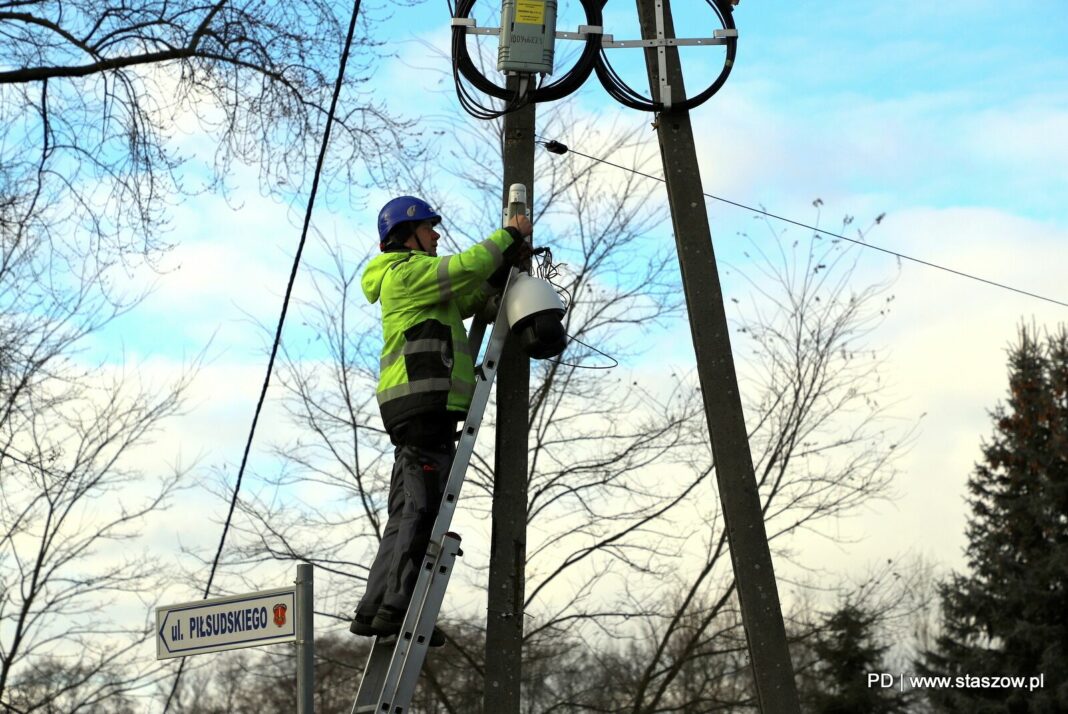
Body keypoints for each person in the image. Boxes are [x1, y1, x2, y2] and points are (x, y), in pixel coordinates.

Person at [350, 196, 532, 645]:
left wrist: (498, 279)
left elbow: (466, 295)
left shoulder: (416, 282)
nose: (436, 235)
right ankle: (400, 609)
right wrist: (510, 235)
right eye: (429, 228)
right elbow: (464, 267)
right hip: (423, 403)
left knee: (404, 512)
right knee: (424, 511)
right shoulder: (406, 273)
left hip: (416, 406)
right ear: (406, 235)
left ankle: (374, 607)